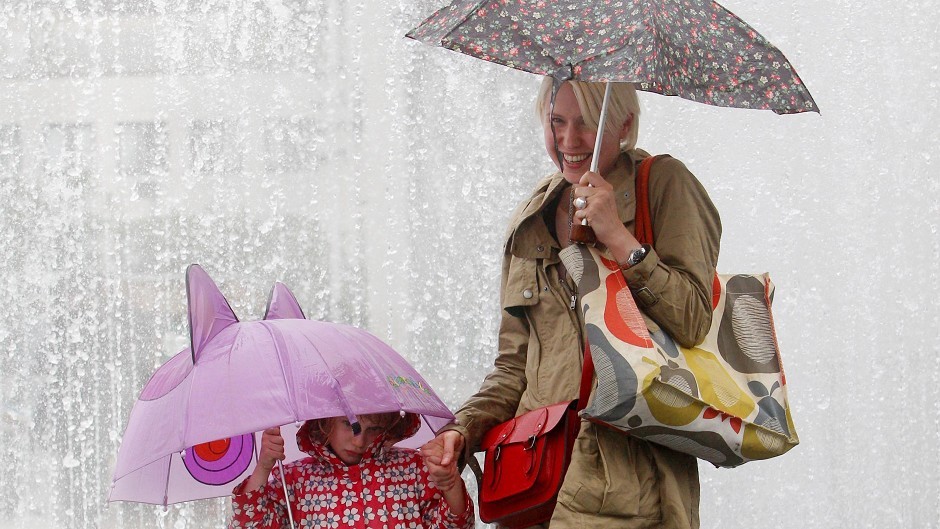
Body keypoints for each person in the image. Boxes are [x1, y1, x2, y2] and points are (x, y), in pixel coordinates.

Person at [423, 78, 721, 528]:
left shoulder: (663, 185)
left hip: (628, 492)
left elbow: (694, 319)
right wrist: (461, 432)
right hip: (534, 482)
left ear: (624, 124)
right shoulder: (534, 218)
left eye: (585, 123)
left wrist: (618, 237)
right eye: (556, 122)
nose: (568, 140)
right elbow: (512, 369)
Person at [229, 412, 474, 529]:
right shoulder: (295, 479)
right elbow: (250, 526)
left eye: (373, 429)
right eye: (349, 425)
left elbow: (456, 527)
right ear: (325, 421)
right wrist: (263, 467)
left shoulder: (413, 468)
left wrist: (450, 485)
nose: (359, 441)